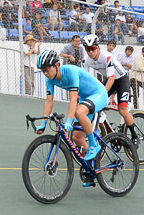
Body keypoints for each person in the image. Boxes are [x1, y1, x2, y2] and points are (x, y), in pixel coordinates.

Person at [35, 49, 107, 184]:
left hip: (99, 93)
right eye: (42, 70)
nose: (45, 73)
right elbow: (49, 101)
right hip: (86, 98)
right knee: (77, 137)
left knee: (79, 112)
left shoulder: (71, 71)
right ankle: (92, 168)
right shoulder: (49, 80)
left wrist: (68, 121)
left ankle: (93, 144)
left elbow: (73, 99)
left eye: (47, 69)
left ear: (57, 65)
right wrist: (44, 123)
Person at [81, 34, 135, 136]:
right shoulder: (86, 60)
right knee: (96, 105)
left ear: (98, 47)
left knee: (122, 110)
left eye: (92, 48)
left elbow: (111, 78)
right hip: (110, 80)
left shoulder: (106, 56)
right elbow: (85, 80)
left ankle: (134, 135)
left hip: (121, 79)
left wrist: (102, 94)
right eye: (88, 49)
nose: (90, 52)